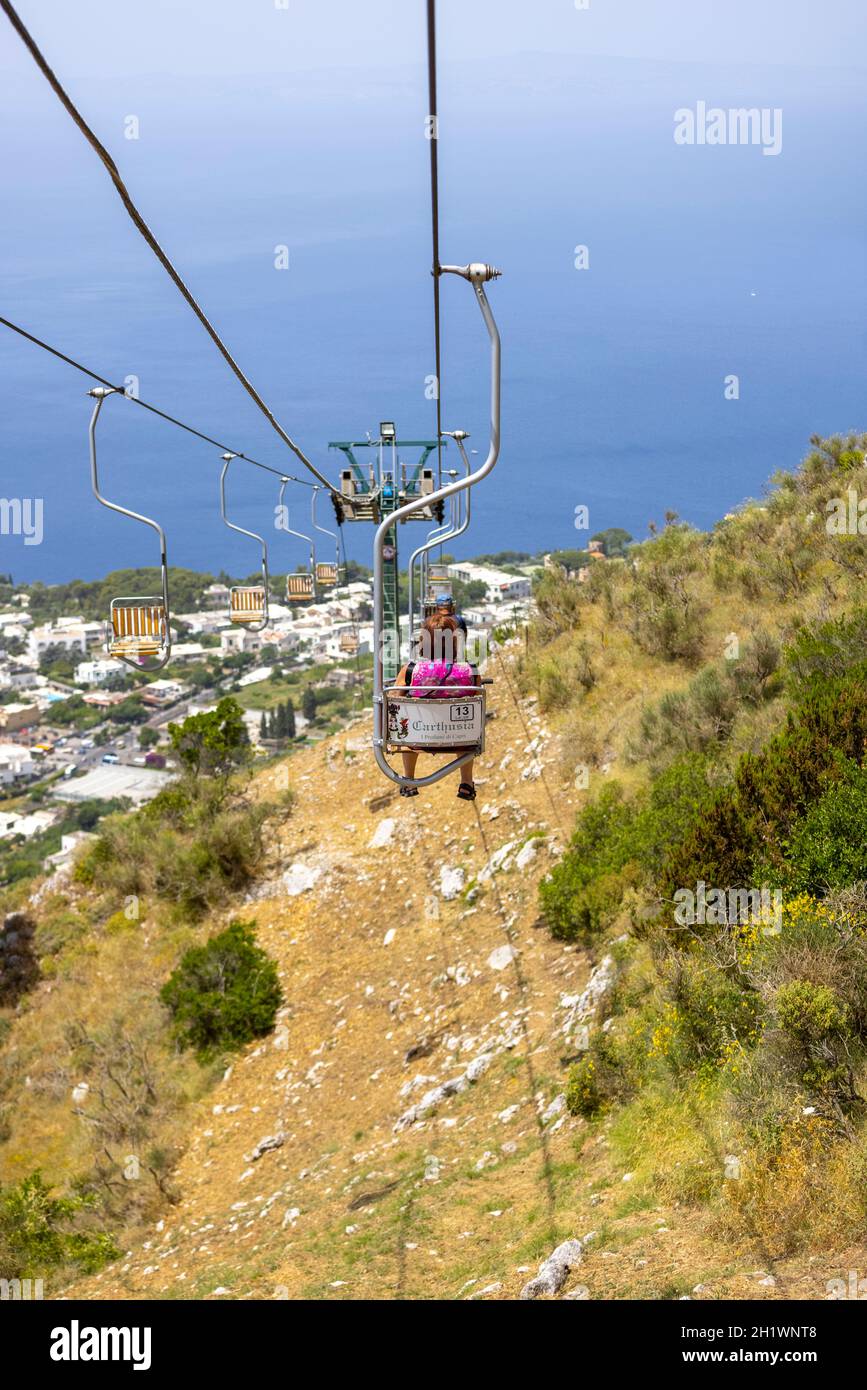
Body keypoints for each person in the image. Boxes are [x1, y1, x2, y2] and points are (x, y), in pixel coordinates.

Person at [395, 612, 480, 800]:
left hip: (420, 735)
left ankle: (409, 778)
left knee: (407, 722)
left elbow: (397, 699)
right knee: (465, 723)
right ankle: (466, 781)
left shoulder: (411, 670)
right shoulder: (470, 670)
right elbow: (476, 695)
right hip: (459, 736)